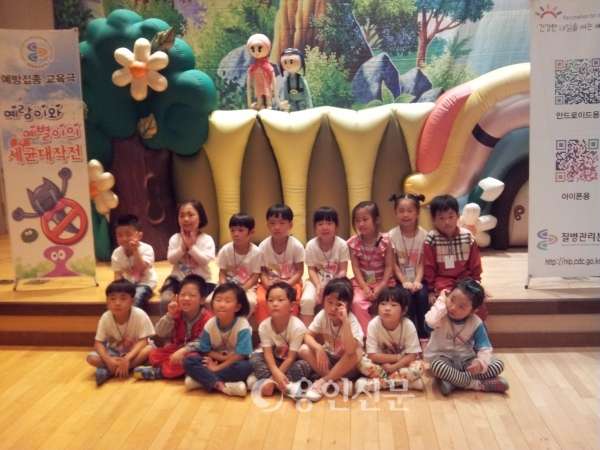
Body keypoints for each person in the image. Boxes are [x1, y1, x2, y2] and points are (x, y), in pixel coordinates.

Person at [424, 279, 508, 395]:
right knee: (437, 366)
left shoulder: (475, 322)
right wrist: (441, 299)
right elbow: (430, 323)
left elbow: (484, 347)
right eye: (451, 299)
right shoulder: (440, 314)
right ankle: (478, 384)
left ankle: (454, 382)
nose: (453, 307)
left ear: (473, 311)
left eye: (461, 307)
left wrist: (480, 363)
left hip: (467, 360)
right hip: (444, 359)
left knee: (498, 364)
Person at [134, 274, 212, 380]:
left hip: (195, 353)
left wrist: (184, 350)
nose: (186, 298)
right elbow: (160, 332)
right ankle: (173, 369)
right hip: (177, 348)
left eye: (192, 295)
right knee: (154, 355)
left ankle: (159, 372)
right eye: (183, 294)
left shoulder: (206, 317)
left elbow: (202, 342)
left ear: (202, 300)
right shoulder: (177, 311)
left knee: (190, 361)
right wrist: (170, 315)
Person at [183, 283, 253, 397]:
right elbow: (205, 350)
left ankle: (201, 380)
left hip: (234, 362)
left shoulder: (242, 324)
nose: (221, 304)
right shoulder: (210, 324)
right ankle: (220, 385)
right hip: (215, 360)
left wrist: (217, 368)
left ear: (237, 307)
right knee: (189, 361)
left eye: (227, 301)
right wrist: (222, 359)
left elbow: (240, 355)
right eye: (218, 300)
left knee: (245, 367)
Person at [423, 195, 487, 321]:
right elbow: (429, 266)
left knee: (479, 306)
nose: (447, 222)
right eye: (441, 218)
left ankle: (477, 330)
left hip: (465, 278)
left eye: (451, 217)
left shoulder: (467, 235)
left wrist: (477, 283)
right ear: (433, 219)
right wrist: (430, 289)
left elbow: (475, 262)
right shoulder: (431, 238)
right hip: (443, 280)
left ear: (458, 216)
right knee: (446, 305)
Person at [299, 278, 363, 401]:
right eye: (329, 302)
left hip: (347, 366)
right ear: (323, 301)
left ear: (348, 305)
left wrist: (345, 322)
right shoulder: (323, 315)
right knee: (303, 349)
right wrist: (318, 348)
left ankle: (324, 381)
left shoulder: (350, 320)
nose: (333, 308)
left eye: (339, 304)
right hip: (329, 363)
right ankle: (335, 381)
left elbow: (350, 350)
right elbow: (307, 335)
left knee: (357, 351)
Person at [86, 279, 155, 386]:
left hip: (134, 352)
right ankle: (128, 367)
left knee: (149, 349)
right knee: (91, 358)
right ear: (107, 301)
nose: (117, 303)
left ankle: (111, 371)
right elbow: (98, 343)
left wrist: (127, 358)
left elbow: (143, 341)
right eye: (113, 299)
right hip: (114, 352)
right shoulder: (106, 317)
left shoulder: (139, 315)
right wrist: (108, 360)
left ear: (132, 301)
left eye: (123, 298)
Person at [249, 282, 312, 397]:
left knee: (305, 365)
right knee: (254, 358)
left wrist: (272, 379)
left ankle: (267, 383)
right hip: (274, 361)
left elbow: (291, 357)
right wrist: (276, 373)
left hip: (292, 362)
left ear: (292, 306)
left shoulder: (297, 327)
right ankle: (287, 386)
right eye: (270, 300)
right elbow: (268, 353)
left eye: (280, 300)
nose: (275, 304)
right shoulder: (264, 326)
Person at [355, 287, 423, 392]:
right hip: (380, 365)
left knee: (419, 367)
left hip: (402, 365)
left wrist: (393, 367)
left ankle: (378, 384)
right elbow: (372, 355)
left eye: (393, 305)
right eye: (383, 304)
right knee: (361, 363)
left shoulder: (408, 325)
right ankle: (406, 382)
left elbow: (412, 356)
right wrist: (396, 358)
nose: (387, 308)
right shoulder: (373, 324)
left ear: (404, 310)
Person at [347, 201, 396, 334]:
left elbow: (389, 266)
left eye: (365, 219)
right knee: (356, 302)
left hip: (384, 281)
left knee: (391, 302)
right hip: (362, 282)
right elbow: (356, 267)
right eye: (357, 220)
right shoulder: (353, 243)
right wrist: (364, 286)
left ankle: (389, 334)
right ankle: (369, 335)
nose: (361, 224)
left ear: (377, 220)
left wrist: (382, 285)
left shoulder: (386, 240)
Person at [160, 200, 216, 315]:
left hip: (202, 282)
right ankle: (169, 324)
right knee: (166, 300)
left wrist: (191, 247)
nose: (186, 219)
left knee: (204, 304)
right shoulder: (175, 238)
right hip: (179, 281)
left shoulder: (206, 239)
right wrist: (183, 247)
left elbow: (204, 261)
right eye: (182, 216)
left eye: (190, 215)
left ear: (200, 218)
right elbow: (171, 260)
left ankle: (200, 325)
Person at [388, 193, 430, 345]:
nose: (405, 215)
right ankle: (411, 337)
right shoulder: (392, 235)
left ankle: (424, 337)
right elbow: (393, 264)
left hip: (419, 279)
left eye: (410, 210)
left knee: (422, 296)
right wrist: (405, 281)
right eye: (401, 211)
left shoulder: (424, 235)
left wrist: (417, 281)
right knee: (405, 297)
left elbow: (422, 263)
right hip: (400, 280)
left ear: (417, 212)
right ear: (395, 214)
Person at [254, 204, 305, 324]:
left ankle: (289, 329)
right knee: (261, 300)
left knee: (292, 300)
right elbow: (262, 271)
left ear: (290, 225)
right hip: (270, 283)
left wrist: (288, 284)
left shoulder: (296, 246)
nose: (277, 227)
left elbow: (299, 271)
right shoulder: (263, 246)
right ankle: (265, 330)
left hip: (291, 282)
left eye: (282, 223)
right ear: (267, 225)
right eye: (272, 223)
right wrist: (267, 284)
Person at [300, 206, 349, 327]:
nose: (325, 227)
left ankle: (337, 331)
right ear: (315, 227)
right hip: (315, 281)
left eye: (329, 223)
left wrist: (334, 285)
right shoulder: (311, 245)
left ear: (336, 227)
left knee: (339, 300)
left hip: (337, 282)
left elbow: (343, 270)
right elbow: (311, 270)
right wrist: (318, 286)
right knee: (306, 300)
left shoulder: (342, 245)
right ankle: (308, 332)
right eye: (320, 224)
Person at [211, 213, 262, 318]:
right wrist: (225, 287)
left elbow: (255, 276)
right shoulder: (225, 250)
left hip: (246, 287)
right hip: (226, 285)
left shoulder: (257, 252)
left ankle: (239, 323)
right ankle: (220, 322)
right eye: (232, 230)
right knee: (209, 301)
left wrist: (242, 290)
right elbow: (222, 273)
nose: (236, 234)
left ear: (251, 232)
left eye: (240, 230)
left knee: (251, 303)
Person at [111, 214, 157, 309]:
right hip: (126, 286)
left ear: (139, 235)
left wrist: (135, 249)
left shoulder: (147, 249)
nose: (124, 239)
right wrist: (119, 291)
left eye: (128, 234)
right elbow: (117, 275)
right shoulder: (116, 253)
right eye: (120, 235)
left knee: (135, 301)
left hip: (145, 283)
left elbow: (141, 268)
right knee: (112, 304)